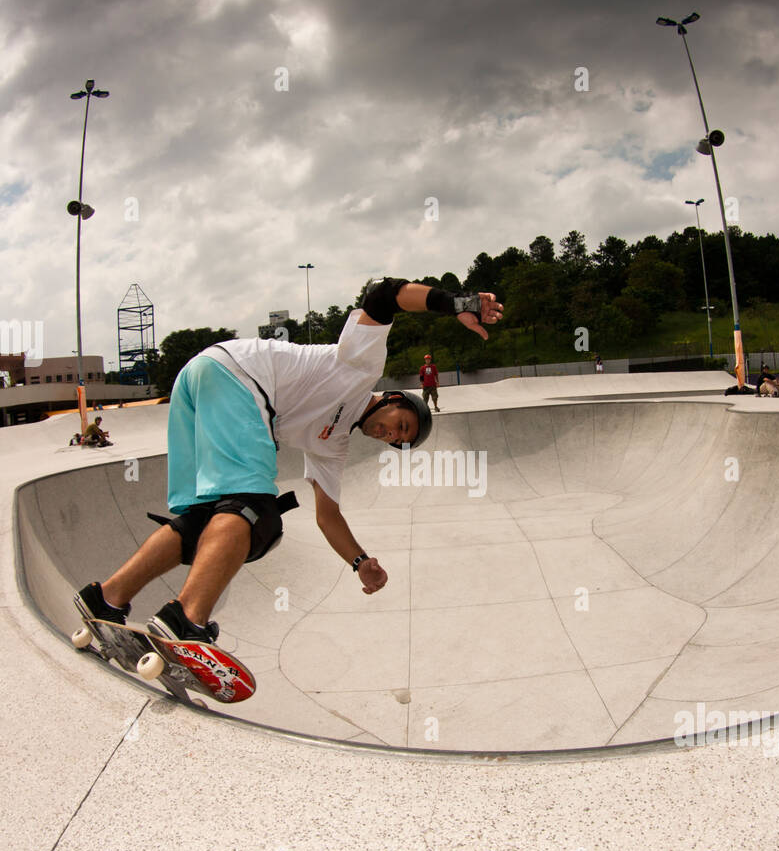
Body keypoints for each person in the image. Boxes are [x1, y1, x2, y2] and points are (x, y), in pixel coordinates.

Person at [75, 277, 503, 646]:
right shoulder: (364, 366)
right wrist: (457, 304)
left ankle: (107, 598)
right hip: (239, 376)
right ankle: (186, 619)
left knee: (205, 521)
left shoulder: (331, 445)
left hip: (201, 379)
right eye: (401, 425)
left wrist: (360, 563)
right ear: (394, 399)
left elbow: (328, 516)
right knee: (255, 515)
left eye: (398, 441)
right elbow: (384, 294)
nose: (392, 434)